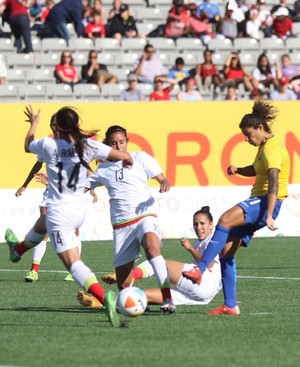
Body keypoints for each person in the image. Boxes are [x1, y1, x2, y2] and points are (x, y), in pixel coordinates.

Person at [4, 105, 133, 327]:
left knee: (73, 264)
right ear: (77, 124)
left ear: (57, 126)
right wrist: (127, 160)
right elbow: (122, 156)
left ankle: (104, 300)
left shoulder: (49, 144)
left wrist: (33, 123)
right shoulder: (88, 145)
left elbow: (27, 146)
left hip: (59, 211)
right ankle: (17, 250)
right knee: (43, 223)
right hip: (78, 210)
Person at [182, 100, 290, 315]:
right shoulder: (264, 147)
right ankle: (230, 305)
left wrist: (269, 215)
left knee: (224, 220)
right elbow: (257, 170)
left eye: (249, 134)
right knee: (226, 254)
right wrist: (239, 169)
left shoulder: (273, 150)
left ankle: (199, 269)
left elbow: (274, 182)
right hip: (260, 202)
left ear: (260, 128)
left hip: (265, 202)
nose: (247, 139)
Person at [82, 125, 176, 314]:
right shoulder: (103, 169)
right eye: (114, 143)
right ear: (107, 145)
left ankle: (168, 299)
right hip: (122, 227)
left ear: (127, 140)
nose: (119, 146)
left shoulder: (141, 158)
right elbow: (77, 189)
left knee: (151, 246)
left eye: (122, 142)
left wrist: (164, 183)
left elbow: (162, 179)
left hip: (144, 216)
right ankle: (119, 301)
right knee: (124, 286)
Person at [97, 206, 222, 307]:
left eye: (202, 223)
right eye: (195, 224)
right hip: (201, 294)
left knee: (159, 262)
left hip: (206, 281)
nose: (198, 227)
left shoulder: (213, 239)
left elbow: (209, 264)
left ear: (211, 224)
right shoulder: (201, 240)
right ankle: (101, 301)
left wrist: (190, 248)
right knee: (142, 296)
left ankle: (133, 275)